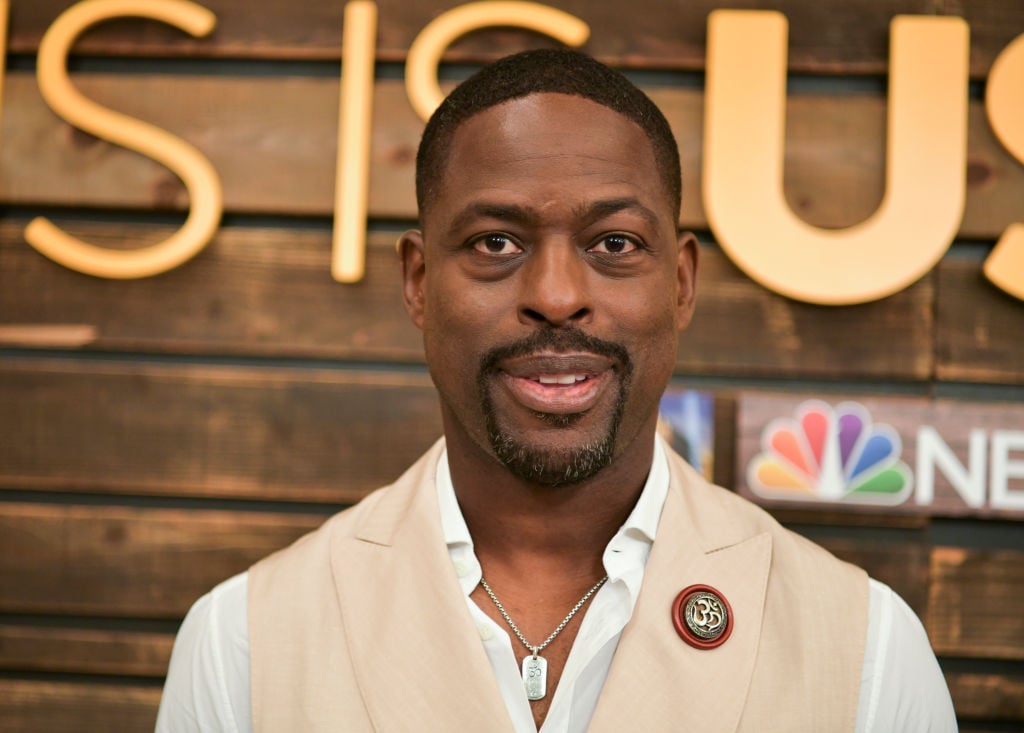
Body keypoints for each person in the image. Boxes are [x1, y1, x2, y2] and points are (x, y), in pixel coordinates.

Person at [156, 49, 956, 732]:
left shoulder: (867, 652)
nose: (556, 293)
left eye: (613, 242)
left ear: (679, 284)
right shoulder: (244, 644)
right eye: (496, 241)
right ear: (419, 281)